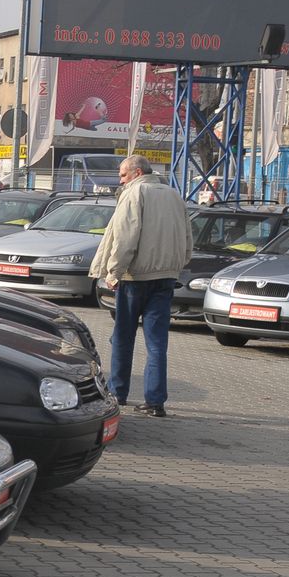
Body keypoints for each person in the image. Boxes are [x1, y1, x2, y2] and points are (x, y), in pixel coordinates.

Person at [89, 155, 193, 417]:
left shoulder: (135, 193)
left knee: (123, 337)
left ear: (136, 173)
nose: (119, 180)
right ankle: (155, 402)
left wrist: (115, 272)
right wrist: (177, 263)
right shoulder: (173, 195)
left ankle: (117, 393)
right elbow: (188, 237)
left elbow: (125, 237)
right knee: (157, 342)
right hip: (166, 277)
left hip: (135, 278)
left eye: (122, 175)